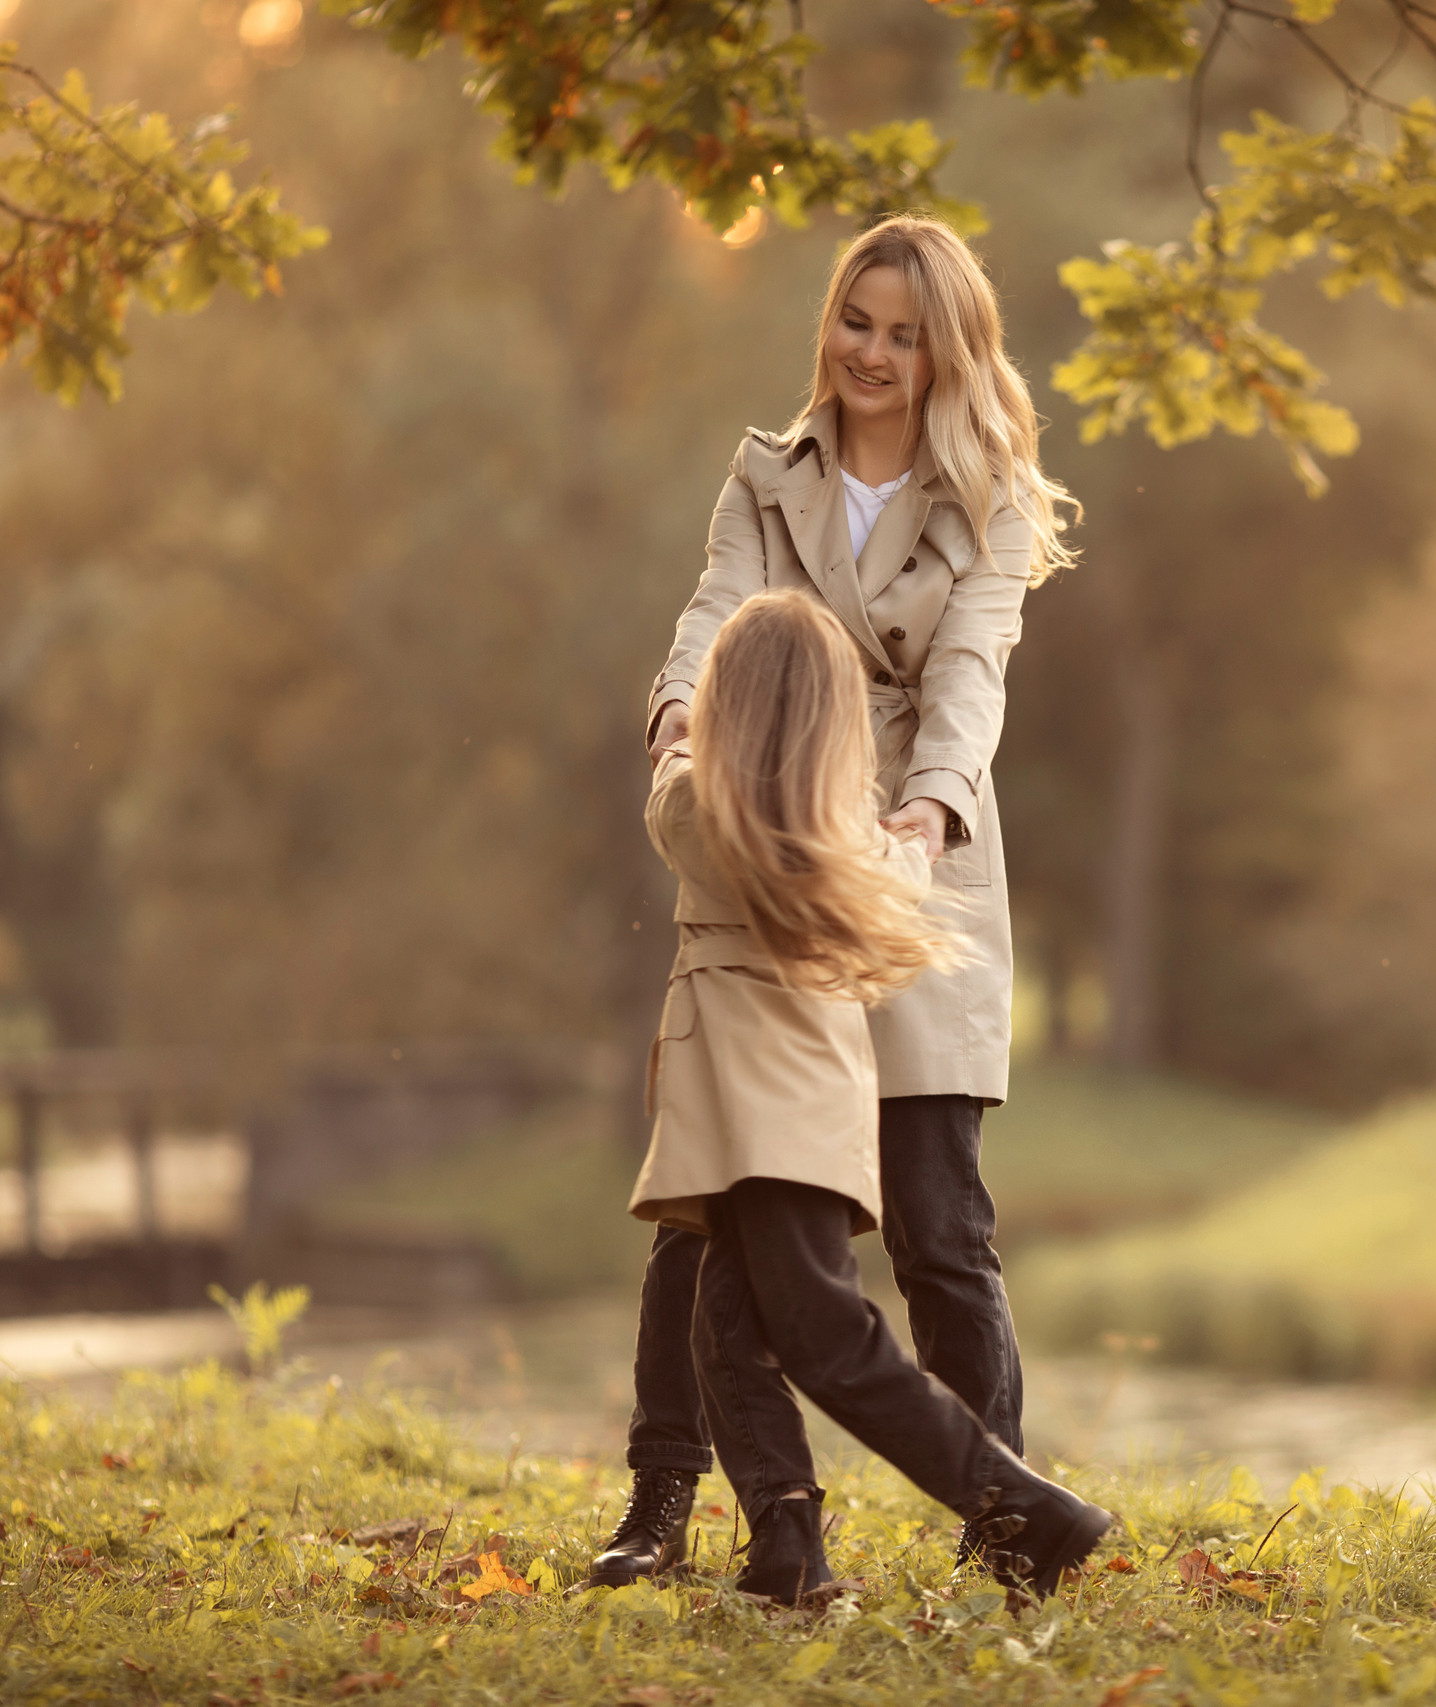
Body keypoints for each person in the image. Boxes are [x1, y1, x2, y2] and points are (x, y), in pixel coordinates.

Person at [592, 212, 1077, 1587]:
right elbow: (712, 611)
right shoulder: (765, 475)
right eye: (857, 320)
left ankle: (1007, 1523)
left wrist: (925, 810)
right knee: (717, 1197)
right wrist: (681, 724)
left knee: (937, 1215)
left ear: (946, 350)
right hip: (770, 835)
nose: (872, 350)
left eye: (903, 332)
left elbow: (971, 673)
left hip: (919, 862)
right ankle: (660, 1498)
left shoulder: (992, 502)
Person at [626, 590, 1110, 1603]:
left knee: (827, 1339)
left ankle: (1018, 1503)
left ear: (731, 707)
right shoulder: (847, 830)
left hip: (753, 1116)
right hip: (803, 1109)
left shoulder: (698, 808)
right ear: (830, 720)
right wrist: (922, 835)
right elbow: (897, 865)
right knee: (727, 1327)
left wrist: (674, 722)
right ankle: (786, 1548)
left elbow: (670, 776)